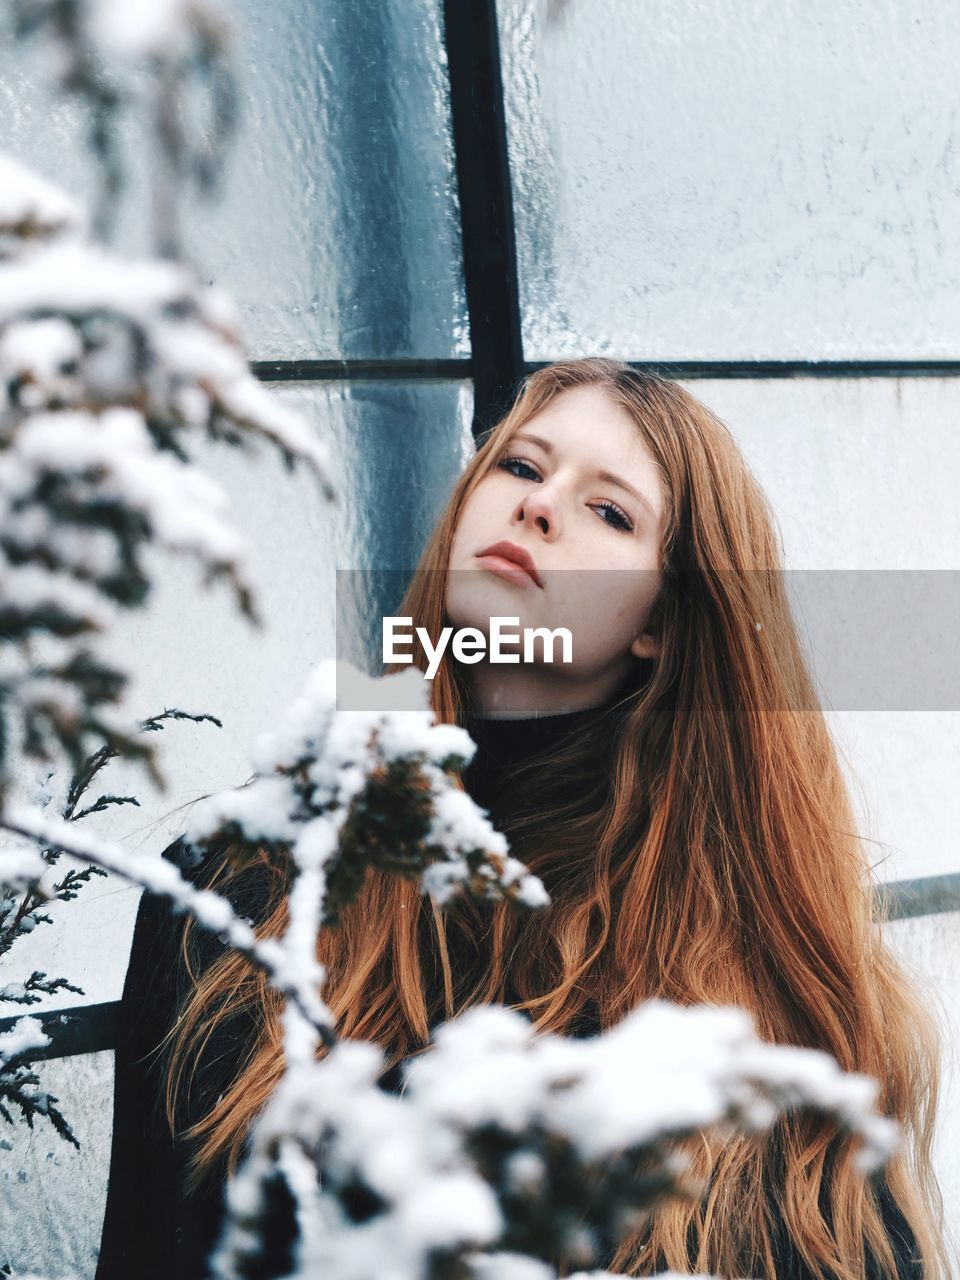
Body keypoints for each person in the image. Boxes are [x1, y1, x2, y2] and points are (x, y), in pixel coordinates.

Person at [97, 358, 950, 1278]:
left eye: (610, 511)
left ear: (660, 623)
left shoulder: (750, 981)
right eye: (522, 467)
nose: (540, 507)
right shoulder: (237, 889)